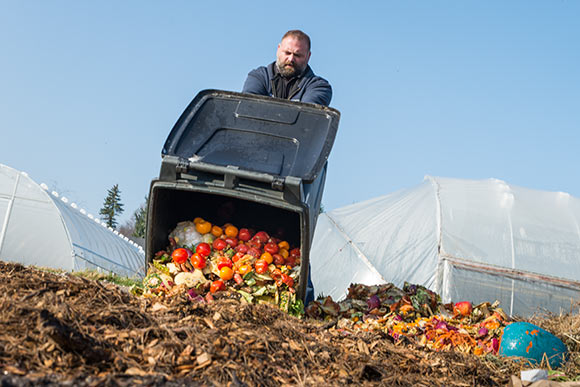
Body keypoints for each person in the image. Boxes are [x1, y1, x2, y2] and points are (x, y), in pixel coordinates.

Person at [242, 30, 332, 107]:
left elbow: (307, 117)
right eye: (287, 53)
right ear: (278, 50)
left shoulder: (319, 87)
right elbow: (248, 108)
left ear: (308, 56)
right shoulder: (259, 77)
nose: (291, 59)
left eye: (297, 55)